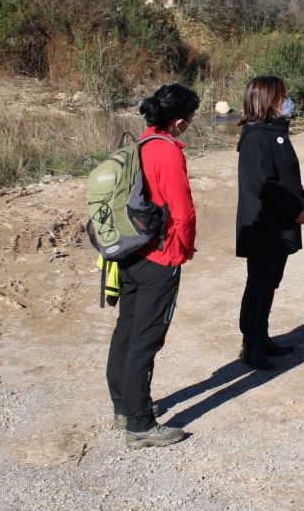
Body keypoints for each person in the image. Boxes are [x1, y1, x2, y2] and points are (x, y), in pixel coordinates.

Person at [106, 83, 200, 447]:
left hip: (130, 252)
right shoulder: (168, 153)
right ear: (178, 122)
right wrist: (183, 250)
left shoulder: (138, 145)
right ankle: (140, 424)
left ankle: (122, 407)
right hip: (161, 257)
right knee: (146, 339)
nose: (189, 125)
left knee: (126, 332)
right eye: (189, 119)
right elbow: (182, 211)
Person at [235, 76, 304, 370]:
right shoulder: (255, 137)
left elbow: (288, 176)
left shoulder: (274, 131)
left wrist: (303, 202)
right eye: (282, 97)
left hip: (280, 224)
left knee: (270, 284)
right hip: (264, 226)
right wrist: (294, 210)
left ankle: (262, 336)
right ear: (268, 100)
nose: (286, 102)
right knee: (258, 285)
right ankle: (250, 343)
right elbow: (264, 185)